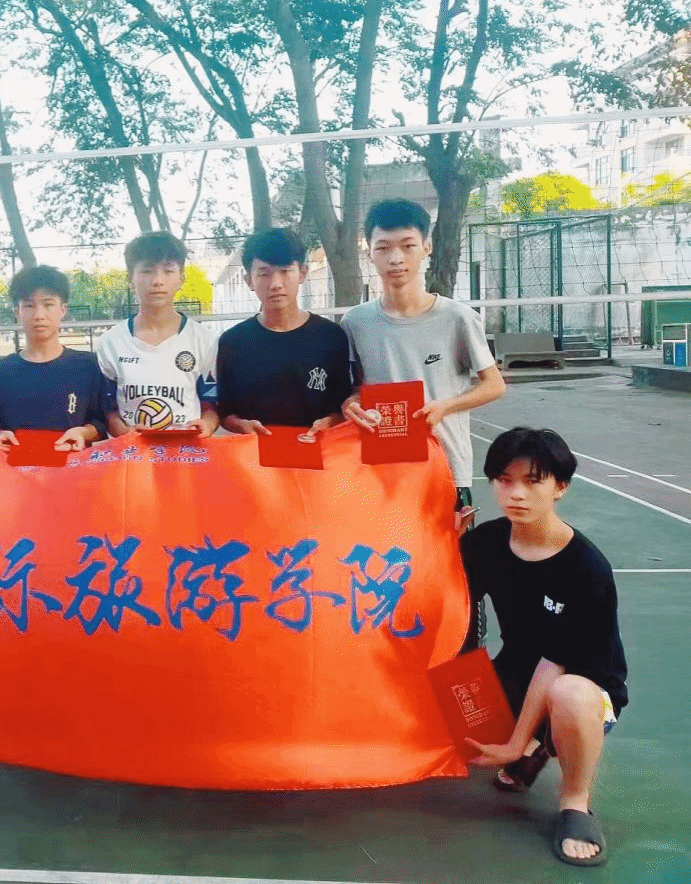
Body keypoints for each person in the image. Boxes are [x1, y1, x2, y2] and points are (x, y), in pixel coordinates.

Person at [461, 427, 628, 868]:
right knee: (449, 718)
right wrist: (442, 542)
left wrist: (514, 744)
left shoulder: (586, 567)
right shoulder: (485, 542)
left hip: (582, 685)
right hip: (515, 673)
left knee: (567, 695)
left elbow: (554, 663)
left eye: (532, 481)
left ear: (560, 487)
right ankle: (536, 746)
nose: (515, 494)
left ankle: (575, 802)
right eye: (504, 480)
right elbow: (449, 603)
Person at [341, 199, 506, 510]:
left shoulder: (458, 318)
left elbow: (494, 385)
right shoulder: (355, 322)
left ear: (426, 247)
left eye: (408, 246)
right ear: (369, 254)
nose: (395, 259)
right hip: (383, 471)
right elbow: (355, 388)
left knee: (451, 544)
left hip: (446, 465)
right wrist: (350, 402)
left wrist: (446, 406)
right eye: (383, 248)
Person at [217, 228, 351, 434]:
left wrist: (331, 422)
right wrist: (242, 425)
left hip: (317, 448)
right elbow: (226, 412)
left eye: (285, 271)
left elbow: (343, 405)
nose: (276, 284)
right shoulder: (233, 342)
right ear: (249, 280)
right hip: (256, 451)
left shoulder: (331, 336)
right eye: (264, 273)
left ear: (302, 273)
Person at [96, 232, 218, 437]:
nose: (158, 281)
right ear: (130, 279)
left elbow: (211, 406)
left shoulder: (204, 340)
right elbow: (108, 409)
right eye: (147, 271)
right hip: (133, 452)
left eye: (168, 271)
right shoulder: (110, 343)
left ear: (181, 278)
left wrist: (207, 424)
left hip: (185, 451)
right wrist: (124, 432)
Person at [0, 265, 106, 454]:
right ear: (17, 312)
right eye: (29, 306)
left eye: (48, 305)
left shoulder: (88, 366)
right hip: (15, 468)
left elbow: (101, 422)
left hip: (73, 467)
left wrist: (84, 433)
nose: (39, 315)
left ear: (63, 309)